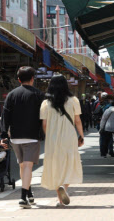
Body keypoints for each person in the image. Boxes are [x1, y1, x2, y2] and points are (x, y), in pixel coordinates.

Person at [1, 66, 44, 208]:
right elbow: (43, 117)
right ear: (32, 79)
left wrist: (3, 135)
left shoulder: (11, 95)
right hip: (32, 136)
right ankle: (23, 197)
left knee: (23, 165)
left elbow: (5, 116)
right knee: (27, 167)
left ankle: (30, 194)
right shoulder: (39, 95)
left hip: (15, 137)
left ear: (18, 79)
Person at [40, 75, 84, 207]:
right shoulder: (73, 100)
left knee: (55, 165)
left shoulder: (45, 103)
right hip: (69, 136)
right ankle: (64, 187)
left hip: (52, 139)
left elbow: (44, 124)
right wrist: (81, 136)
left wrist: (50, 137)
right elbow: (77, 121)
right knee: (69, 163)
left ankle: (60, 196)